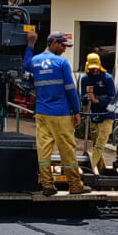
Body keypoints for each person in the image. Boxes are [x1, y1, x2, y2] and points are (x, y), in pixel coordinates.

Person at [23, 31, 89, 195]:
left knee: (43, 150)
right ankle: (75, 185)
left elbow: (25, 65)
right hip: (61, 113)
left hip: (42, 113)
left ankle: (47, 185)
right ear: (52, 43)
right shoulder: (62, 63)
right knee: (67, 149)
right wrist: (76, 111)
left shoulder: (35, 61)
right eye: (62, 45)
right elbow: (70, 89)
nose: (64, 49)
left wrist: (30, 44)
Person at [80, 52, 116, 170]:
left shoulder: (107, 78)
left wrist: (97, 100)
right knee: (96, 145)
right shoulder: (85, 79)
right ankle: (102, 171)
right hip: (94, 115)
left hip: (107, 115)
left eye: (96, 68)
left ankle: (87, 168)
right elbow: (83, 98)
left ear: (99, 65)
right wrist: (87, 97)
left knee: (100, 144)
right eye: (92, 68)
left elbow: (112, 99)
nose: (94, 70)